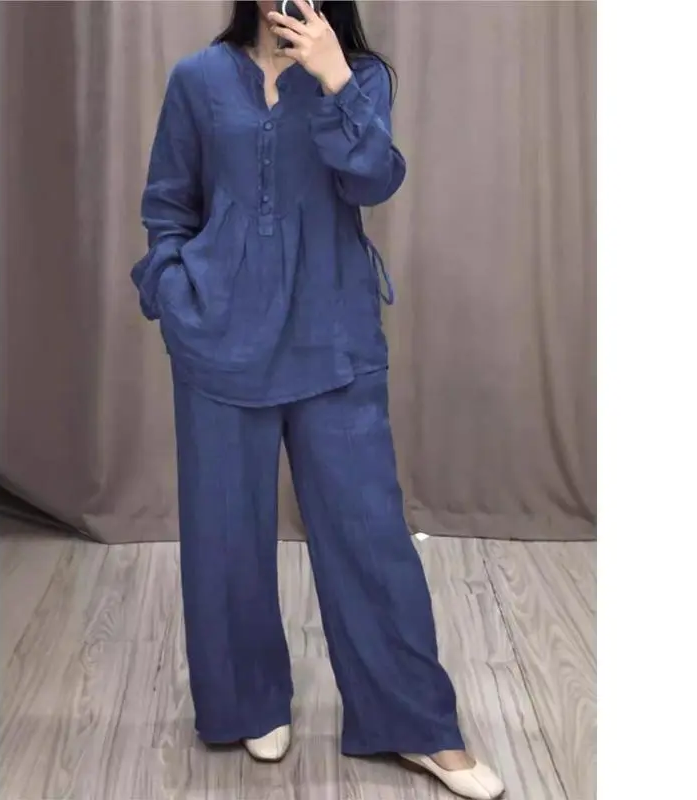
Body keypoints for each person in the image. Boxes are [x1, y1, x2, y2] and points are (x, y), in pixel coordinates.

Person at [130, 1, 504, 797]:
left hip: (333, 337)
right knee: (224, 536)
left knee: (371, 537)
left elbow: (373, 179)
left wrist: (333, 76)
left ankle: (416, 724)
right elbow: (168, 202)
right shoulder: (199, 79)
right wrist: (174, 288)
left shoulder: (360, 77)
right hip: (220, 339)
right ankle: (247, 702)